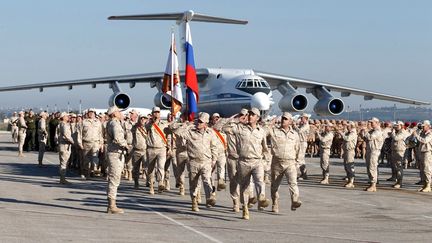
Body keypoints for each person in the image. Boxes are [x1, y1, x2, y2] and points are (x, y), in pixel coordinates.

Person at [170, 112, 218, 211]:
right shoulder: (190, 132)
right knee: (194, 184)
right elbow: (173, 129)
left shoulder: (210, 133)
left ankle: (209, 198)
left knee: (207, 180)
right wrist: (184, 124)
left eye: (201, 122)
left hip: (206, 161)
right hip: (193, 162)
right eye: (198, 121)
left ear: (206, 123)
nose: (198, 123)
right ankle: (194, 201)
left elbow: (214, 147)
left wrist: (214, 160)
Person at [232, 107, 270, 220]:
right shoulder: (240, 129)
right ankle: (245, 208)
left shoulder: (261, 131)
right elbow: (223, 127)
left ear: (257, 118)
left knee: (259, 181)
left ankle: (261, 198)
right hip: (243, 161)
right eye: (248, 114)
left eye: (252, 115)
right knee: (245, 187)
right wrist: (237, 119)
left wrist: (266, 162)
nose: (249, 116)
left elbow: (265, 148)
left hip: (257, 161)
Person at [267, 112, 302, 213]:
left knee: (293, 183)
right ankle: (275, 203)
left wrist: (298, 163)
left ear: (290, 121)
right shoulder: (274, 131)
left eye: (286, 119)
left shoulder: (295, 135)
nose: (283, 120)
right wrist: (273, 121)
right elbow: (265, 129)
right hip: (277, 162)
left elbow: (298, 149)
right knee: (274, 186)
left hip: (290, 163)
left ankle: (294, 201)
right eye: (282, 118)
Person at [106, 106, 128, 214]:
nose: (120, 113)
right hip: (115, 154)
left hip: (115, 153)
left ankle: (111, 204)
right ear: (114, 114)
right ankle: (112, 205)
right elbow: (118, 138)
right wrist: (126, 146)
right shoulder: (114, 123)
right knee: (114, 179)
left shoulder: (113, 122)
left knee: (114, 179)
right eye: (118, 112)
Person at [145, 107, 168, 193]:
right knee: (151, 169)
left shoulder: (164, 123)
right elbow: (146, 128)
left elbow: (168, 134)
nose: (156, 114)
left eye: (158, 112)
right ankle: (151, 185)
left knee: (161, 166)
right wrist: (151, 121)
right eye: (155, 112)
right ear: (152, 114)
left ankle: (160, 183)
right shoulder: (148, 124)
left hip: (161, 148)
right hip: (151, 149)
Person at [77, 109, 103, 179]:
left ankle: (93, 171)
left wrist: (101, 144)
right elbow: (79, 134)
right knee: (86, 160)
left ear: (95, 113)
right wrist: (80, 144)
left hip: (95, 142)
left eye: (92, 112)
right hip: (86, 143)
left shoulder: (98, 122)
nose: (91, 114)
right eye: (90, 113)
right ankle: (87, 173)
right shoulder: (83, 122)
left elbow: (100, 134)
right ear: (87, 113)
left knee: (95, 158)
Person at [360, 117, 384, 192]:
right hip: (370, 150)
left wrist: (366, 131)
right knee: (369, 167)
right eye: (370, 122)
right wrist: (362, 133)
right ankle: (371, 183)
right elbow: (365, 138)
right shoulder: (372, 131)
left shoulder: (378, 131)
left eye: (372, 123)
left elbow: (370, 137)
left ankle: (373, 185)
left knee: (372, 167)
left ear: (376, 123)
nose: (370, 124)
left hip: (375, 151)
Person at [412, 120, 432, 192]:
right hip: (422, 152)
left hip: (427, 153)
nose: (422, 127)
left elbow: (424, 141)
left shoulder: (430, 133)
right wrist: (417, 131)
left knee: (427, 169)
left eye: (424, 126)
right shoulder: (423, 133)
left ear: (428, 126)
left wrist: (416, 136)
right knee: (423, 169)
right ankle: (425, 184)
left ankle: (428, 185)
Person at [390, 121, 409, 188]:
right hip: (395, 150)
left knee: (399, 168)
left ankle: (399, 182)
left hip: (400, 151)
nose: (396, 127)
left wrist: (392, 132)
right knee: (396, 167)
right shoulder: (397, 132)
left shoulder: (402, 132)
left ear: (402, 126)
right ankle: (397, 181)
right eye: (395, 126)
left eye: (397, 126)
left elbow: (396, 138)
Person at [57, 112, 74, 184]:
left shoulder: (62, 124)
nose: (68, 117)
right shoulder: (64, 125)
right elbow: (66, 134)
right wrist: (73, 142)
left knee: (63, 163)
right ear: (63, 117)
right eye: (66, 116)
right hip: (64, 145)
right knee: (64, 162)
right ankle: (62, 179)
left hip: (64, 145)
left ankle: (62, 178)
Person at [132, 114, 148, 189]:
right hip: (136, 150)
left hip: (145, 150)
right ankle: (136, 182)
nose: (142, 119)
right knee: (136, 168)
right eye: (141, 118)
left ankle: (149, 181)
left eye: (144, 118)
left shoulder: (148, 127)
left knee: (146, 167)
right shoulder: (135, 127)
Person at [340, 121, 358, 188]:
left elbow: (347, 139)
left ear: (351, 126)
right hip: (346, 150)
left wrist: (341, 133)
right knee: (346, 166)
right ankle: (349, 180)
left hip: (350, 151)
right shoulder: (348, 132)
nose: (347, 127)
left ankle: (351, 181)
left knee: (350, 166)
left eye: (348, 126)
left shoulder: (353, 133)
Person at [295, 113, 310, 180]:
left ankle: (293, 173)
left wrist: (295, 126)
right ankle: (304, 174)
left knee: (299, 159)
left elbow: (300, 131)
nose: (301, 119)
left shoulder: (306, 125)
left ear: (306, 118)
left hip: (302, 143)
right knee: (302, 160)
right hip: (300, 142)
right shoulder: (303, 125)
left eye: (302, 118)